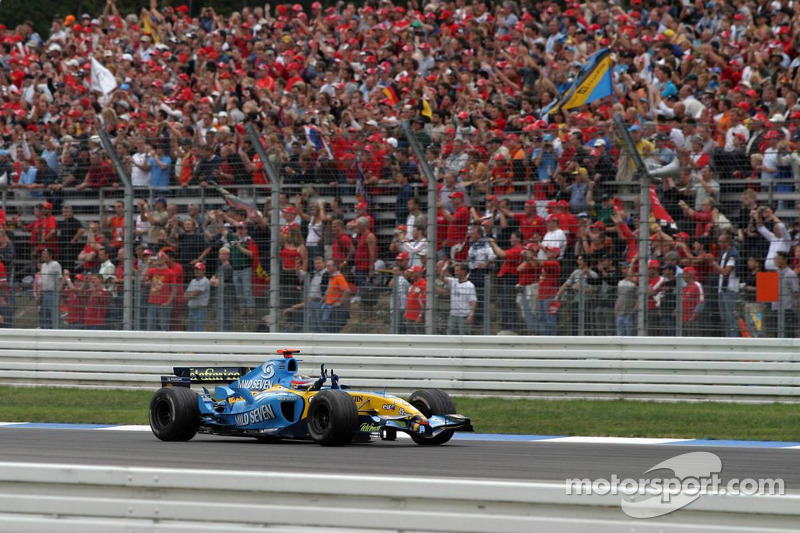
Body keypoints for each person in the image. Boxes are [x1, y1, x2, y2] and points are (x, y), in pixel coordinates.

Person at [708, 232, 741, 337]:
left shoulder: (733, 254)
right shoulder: (723, 253)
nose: (719, 244)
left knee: (730, 317)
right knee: (725, 318)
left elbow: (725, 272)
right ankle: (728, 338)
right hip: (722, 289)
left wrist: (713, 262)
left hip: (729, 289)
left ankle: (733, 338)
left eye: (721, 241)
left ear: (728, 242)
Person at [439, 262, 477, 335]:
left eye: (457, 271)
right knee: (450, 335)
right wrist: (444, 269)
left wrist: (471, 315)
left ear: (463, 271)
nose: (455, 273)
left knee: (463, 336)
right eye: (455, 271)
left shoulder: (470, 286)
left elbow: (473, 301)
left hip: (463, 316)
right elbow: (442, 278)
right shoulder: (453, 281)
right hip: (453, 315)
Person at [145, 251, 177, 331]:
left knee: (164, 326)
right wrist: (148, 266)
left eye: (161, 258)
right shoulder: (152, 270)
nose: (159, 260)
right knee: (151, 325)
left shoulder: (170, 273)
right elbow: (143, 279)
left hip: (164, 303)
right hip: (153, 302)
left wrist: (168, 302)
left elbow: (174, 290)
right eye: (158, 258)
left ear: (164, 259)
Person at [321, 259, 349, 333]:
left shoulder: (339, 277)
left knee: (328, 327)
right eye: (327, 266)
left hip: (332, 306)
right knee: (324, 325)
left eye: (329, 266)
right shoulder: (332, 277)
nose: (327, 267)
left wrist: (340, 302)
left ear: (335, 267)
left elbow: (346, 290)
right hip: (327, 304)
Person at [210, 247, 234, 332]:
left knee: (226, 316)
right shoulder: (219, 268)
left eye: (224, 254)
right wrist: (216, 281)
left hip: (226, 295)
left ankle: (229, 332)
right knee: (219, 316)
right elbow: (212, 281)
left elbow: (221, 283)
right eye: (220, 254)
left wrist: (216, 281)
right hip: (219, 295)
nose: (222, 256)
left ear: (228, 256)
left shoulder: (229, 268)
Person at [38, 248, 61, 329]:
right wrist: (40, 295)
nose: (43, 255)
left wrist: (57, 292)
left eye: (45, 253)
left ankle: (56, 330)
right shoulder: (43, 266)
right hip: (44, 293)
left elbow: (59, 279)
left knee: (53, 314)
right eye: (42, 254)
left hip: (52, 292)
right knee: (45, 314)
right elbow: (42, 281)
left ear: (50, 255)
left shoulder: (55, 264)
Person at [388, 252, 411, 334]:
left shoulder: (410, 271)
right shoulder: (397, 273)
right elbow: (390, 284)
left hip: (402, 307)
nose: (398, 262)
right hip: (396, 306)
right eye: (398, 260)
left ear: (407, 260)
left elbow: (403, 294)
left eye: (401, 260)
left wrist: (403, 308)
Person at [185, 262, 211, 332]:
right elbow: (185, 296)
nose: (196, 271)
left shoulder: (205, 281)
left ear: (203, 270)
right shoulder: (193, 281)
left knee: (199, 330)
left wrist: (191, 293)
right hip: (192, 309)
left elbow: (195, 293)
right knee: (192, 330)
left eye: (198, 269)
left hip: (200, 309)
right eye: (195, 269)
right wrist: (192, 293)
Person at [681, 267, 705, 336]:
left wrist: (695, 314)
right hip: (683, 318)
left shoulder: (697, 285)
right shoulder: (685, 287)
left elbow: (701, 301)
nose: (683, 276)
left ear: (689, 275)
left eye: (684, 274)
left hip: (691, 319)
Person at [404, 265, 426, 334]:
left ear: (418, 273)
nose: (411, 274)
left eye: (412, 272)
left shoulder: (423, 284)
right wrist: (406, 312)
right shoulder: (414, 284)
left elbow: (424, 302)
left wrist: (420, 316)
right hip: (410, 316)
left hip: (417, 318)